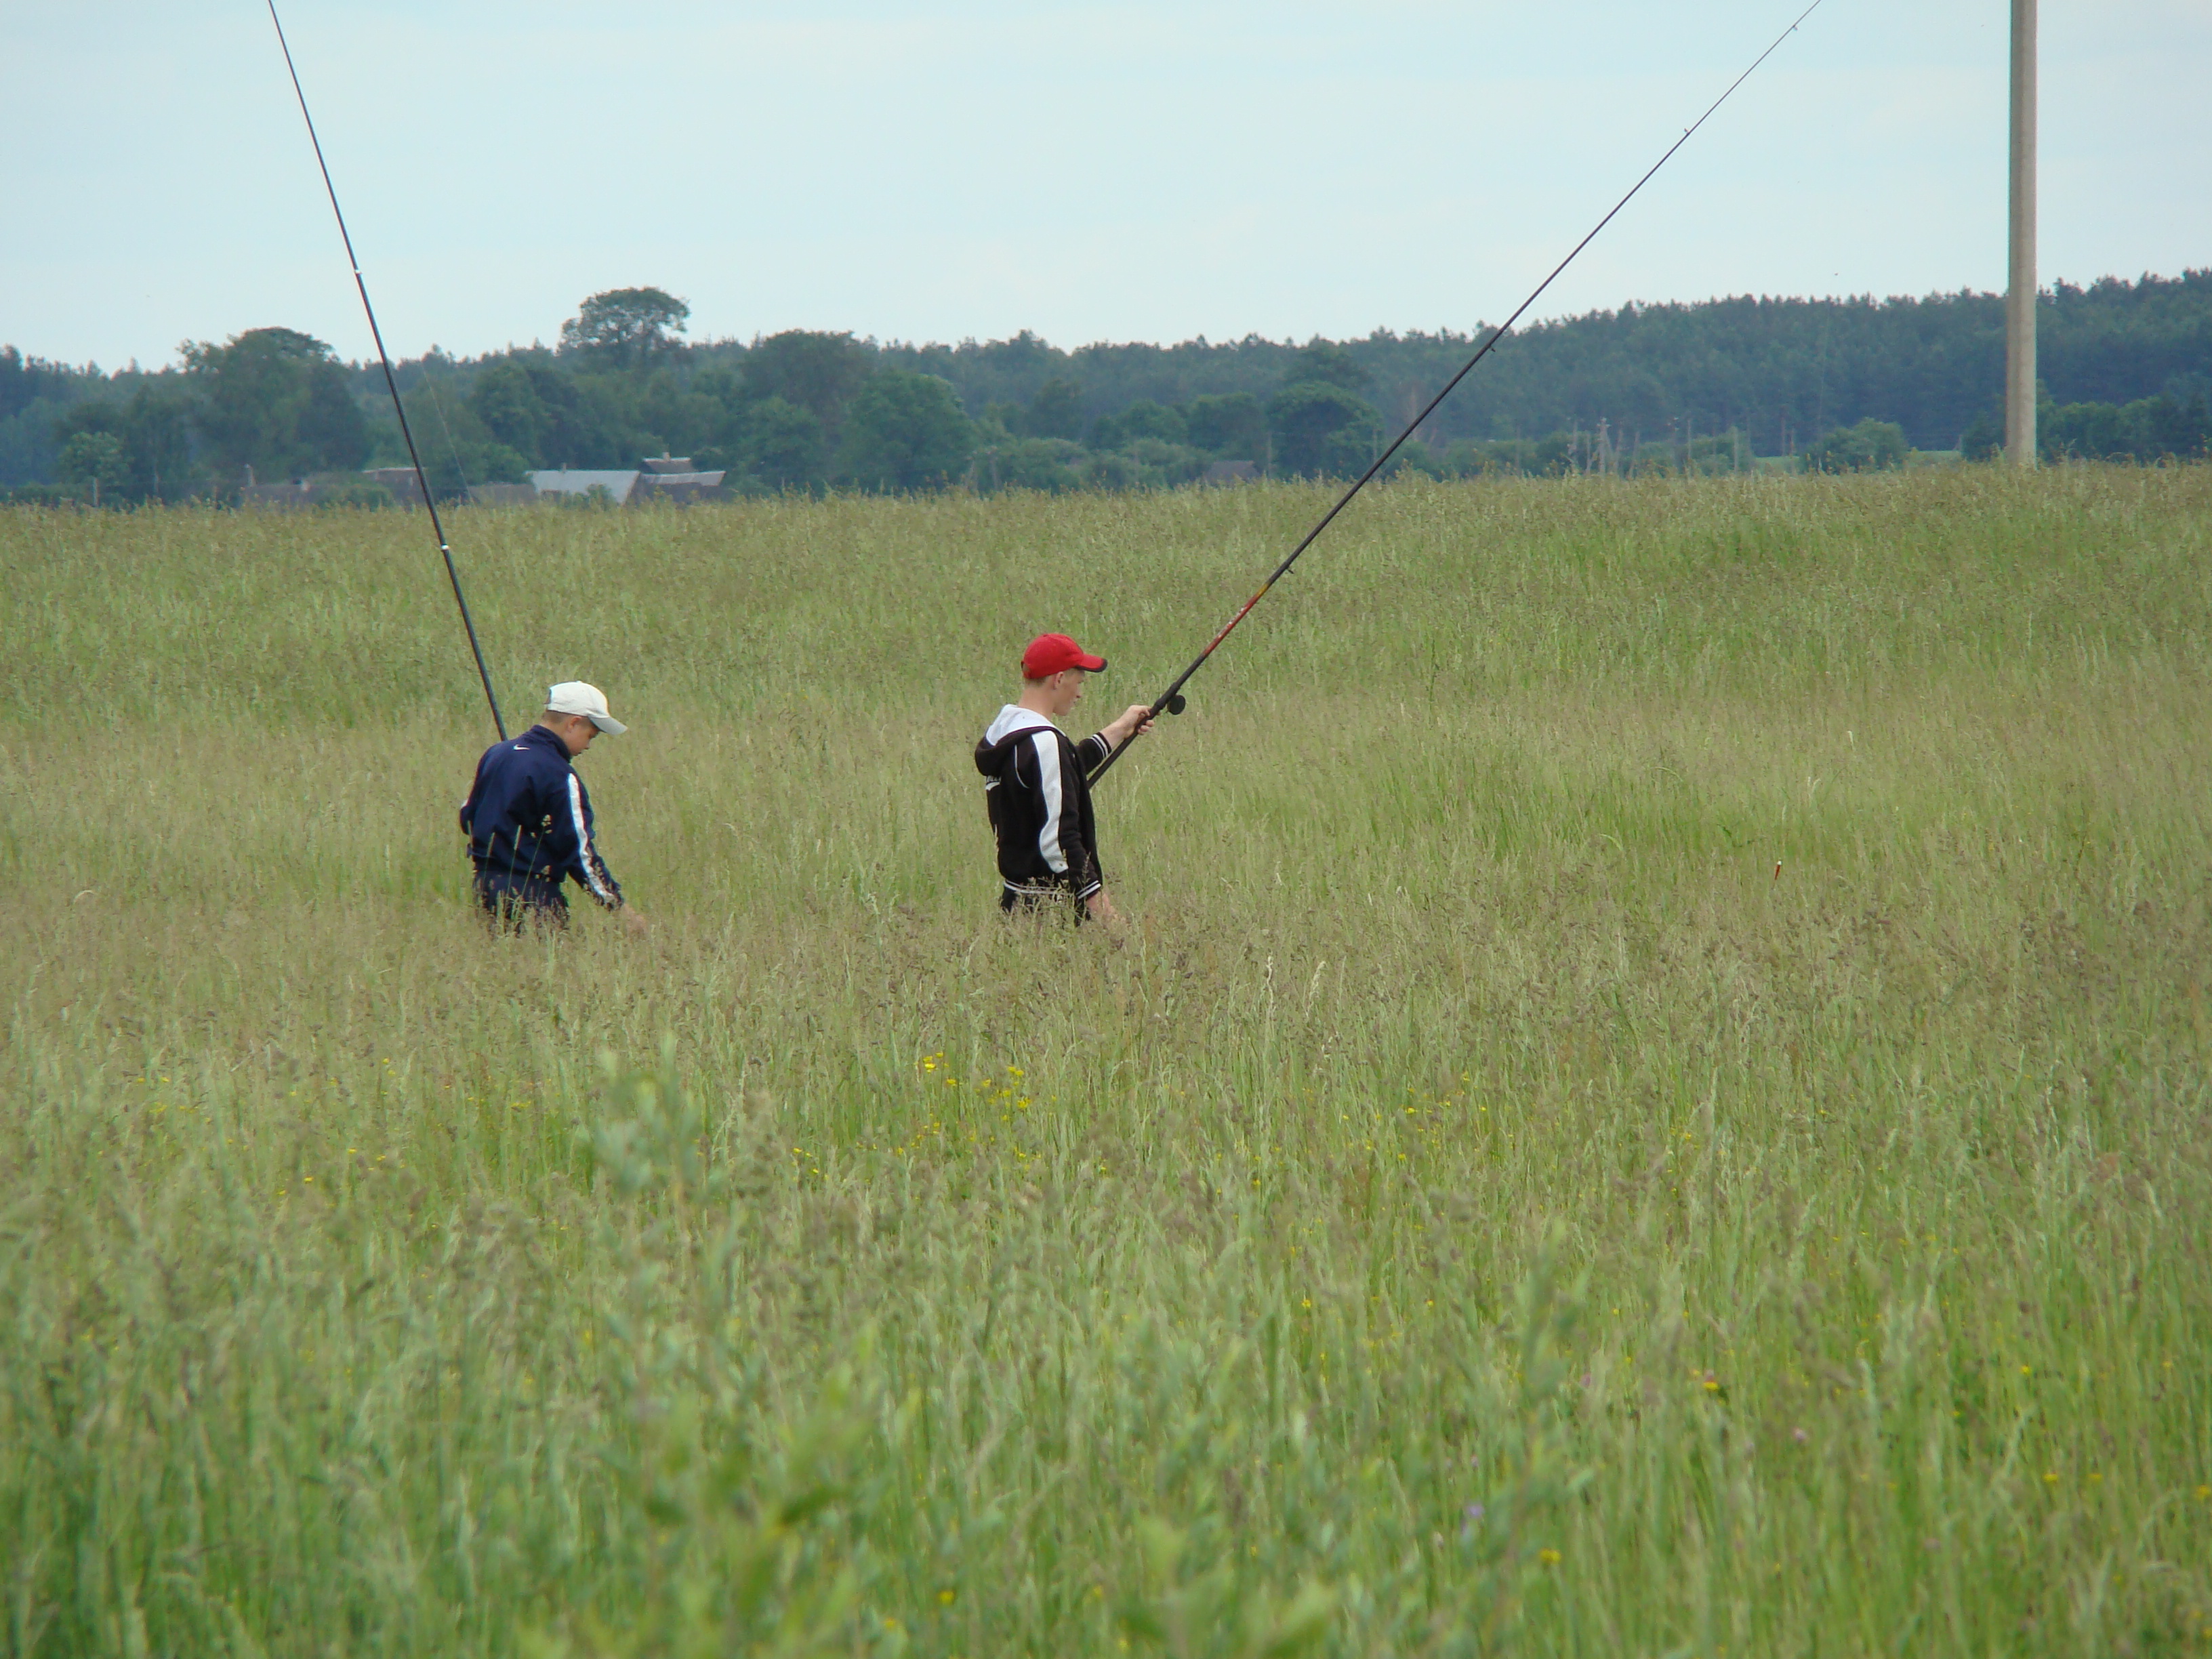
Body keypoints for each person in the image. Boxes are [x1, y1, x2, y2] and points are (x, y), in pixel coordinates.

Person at [974, 633, 1155, 923]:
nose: (1080, 693)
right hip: (1051, 912)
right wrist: (1107, 917)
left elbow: (1059, 772)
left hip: (1015, 904)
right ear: (1059, 679)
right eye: (1079, 682)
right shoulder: (1045, 743)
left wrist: (1120, 729)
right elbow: (1060, 842)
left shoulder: (1005, 732)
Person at [459, 681, 648, 934]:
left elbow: (468, 817)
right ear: (573, 723)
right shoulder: (559, 775)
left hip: (485, 889)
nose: (588, 746)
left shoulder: (496, 754)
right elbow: (578, 852)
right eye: (590, 736)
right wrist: (619, 908)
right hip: (533, 897)